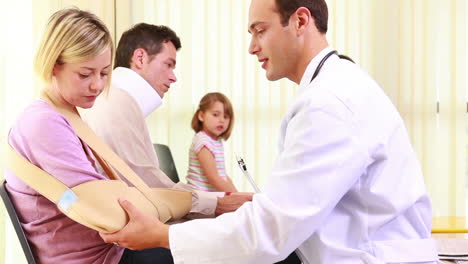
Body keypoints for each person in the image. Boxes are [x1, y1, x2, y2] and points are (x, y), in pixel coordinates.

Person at [100, 0, 440, 263]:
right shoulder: (334, 87)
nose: (251, 47)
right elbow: (295, 208)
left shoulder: (330, 102)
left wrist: (164, 237)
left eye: (259, 31)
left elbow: (271, 232)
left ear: (300, 21)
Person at [4, 8, 173, 264]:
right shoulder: (44, 123)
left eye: (104, 73)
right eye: (85, 74)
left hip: (108, 253)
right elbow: (106, 209)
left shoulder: (65, 117)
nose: (97, 85)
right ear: (53, 65)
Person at [81, 23, 251, 218]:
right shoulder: (115, 104)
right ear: (140, 58)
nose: (173, 77)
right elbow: (145, 187)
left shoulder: (120, 103)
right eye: (168, 65)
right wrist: (217, 203)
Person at [186, 92, 238, 192]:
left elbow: (222, 176)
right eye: (215, 115)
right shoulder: (203, 141)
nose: (222, 120)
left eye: (226, 117)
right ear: (201, 116)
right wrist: (237, 196)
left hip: (210, 198)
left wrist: (238, 194)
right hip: (200, 198)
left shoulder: (216, 142)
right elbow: (213, 178)